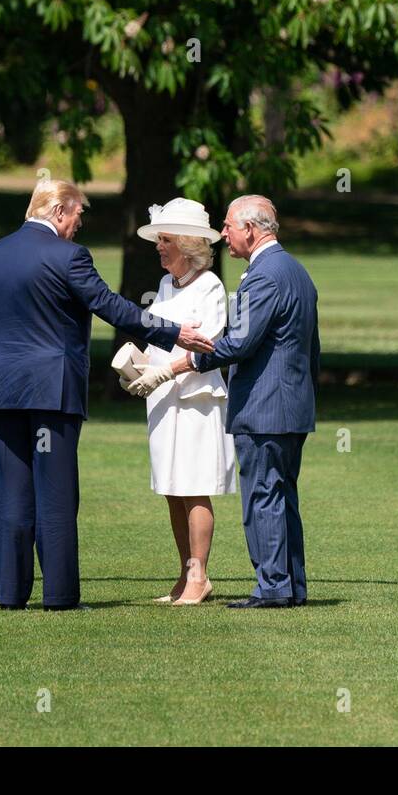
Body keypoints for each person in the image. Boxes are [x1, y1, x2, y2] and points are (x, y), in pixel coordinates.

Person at [0, 179, 214, 611]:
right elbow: (110, 306)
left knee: (10, 493)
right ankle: (59, 595)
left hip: (3, 390)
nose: (80, 224)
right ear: (59, 210)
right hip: (51, 390)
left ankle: (10, 593)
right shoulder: (69, 257)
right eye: (79, 214)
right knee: (57, 493)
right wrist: (176, 333)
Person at [129, 195, 319, 609]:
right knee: (281, 495)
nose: (225, 234)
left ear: (250, 228)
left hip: (266, 406)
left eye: (229, 226)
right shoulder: (294, 270)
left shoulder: (263, 276)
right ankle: (289, 585)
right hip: (289, 403)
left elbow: (238, 342)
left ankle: (273, 588)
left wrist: (185, 361)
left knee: (264, 497)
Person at [129, 198, 236, 606]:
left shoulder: (209, 286)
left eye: (166, 239)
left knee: (194, 485)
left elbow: (207, 347)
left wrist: (166, 370)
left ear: (188, 244)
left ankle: (200, 575)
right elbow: (159, 336)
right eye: (159, 238)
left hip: (195, 398)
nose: (158, 245)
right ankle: (184, 572)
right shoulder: (163, 285)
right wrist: (140, 367)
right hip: (161, 398)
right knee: (172, 486)